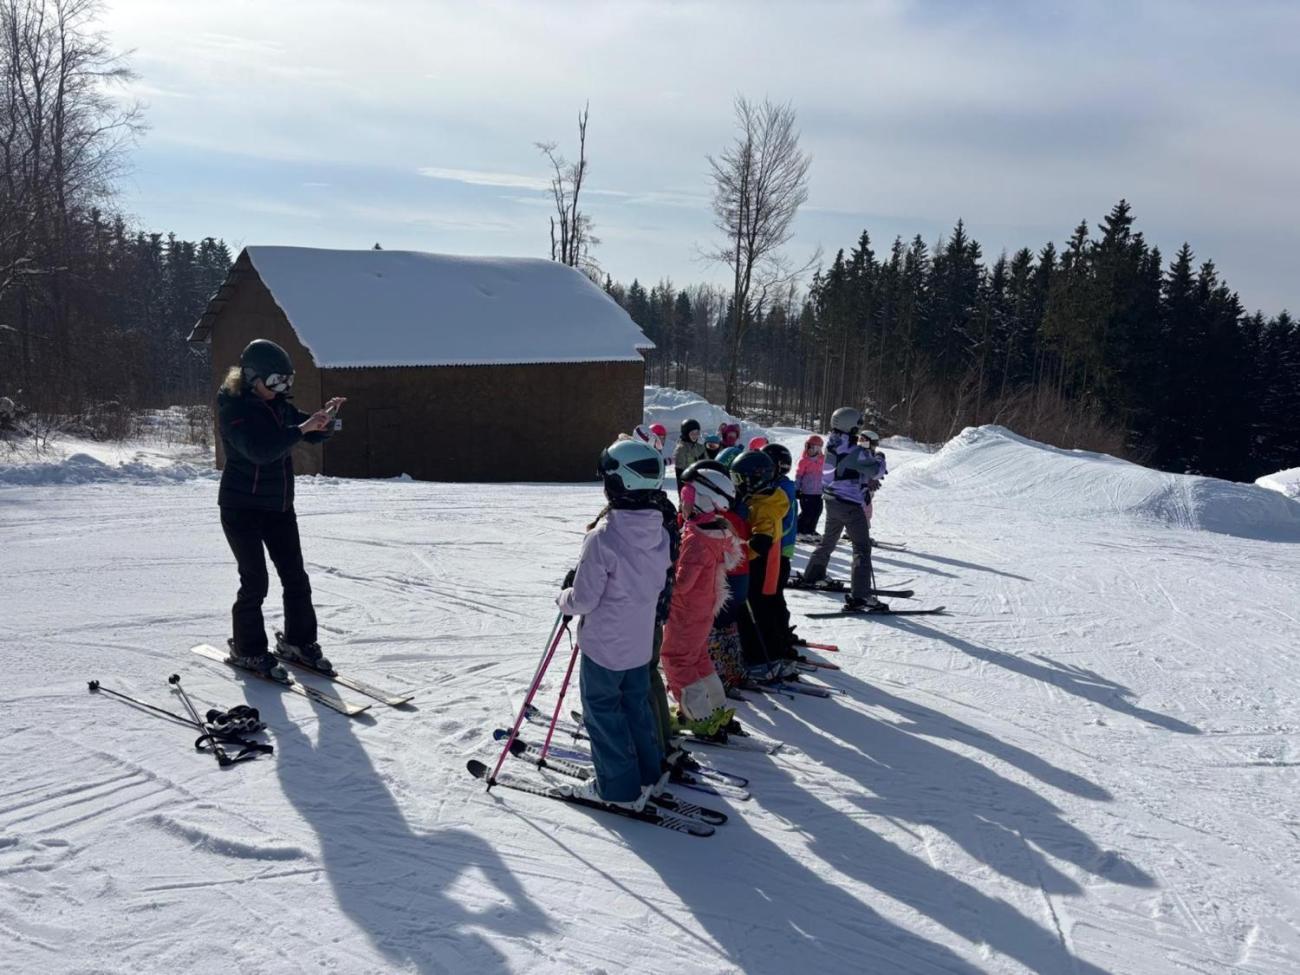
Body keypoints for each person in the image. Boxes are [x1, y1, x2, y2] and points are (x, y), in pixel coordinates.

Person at [217, 339, 344, 678]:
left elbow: (310, 432)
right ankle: (248, 649)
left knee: (295, 577)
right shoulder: (234, 409)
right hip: (241, 508)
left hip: (278, 507)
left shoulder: (279, 406)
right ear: (251, 378)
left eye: (287, 381)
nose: (282, 389)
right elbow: (260, 450)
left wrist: (326, 420)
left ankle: (298, 643)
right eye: (275, 382)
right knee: (255, 581)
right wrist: (302, 428)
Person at [556, 439, 672, 810]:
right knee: (635, 706)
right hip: (639, 642)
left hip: (604, 647)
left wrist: (564, 597)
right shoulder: (660, 531)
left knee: (603, 712)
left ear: (616, 484)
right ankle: (649, 772)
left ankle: (618, 788)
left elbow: (584, 600)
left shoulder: (603, 537)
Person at [659, 461, 742, 736]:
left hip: (686, 610)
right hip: (703, 609)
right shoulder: (715, 530)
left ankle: (698, 716)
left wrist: (661, 577)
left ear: (702, 501)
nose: (682, 503)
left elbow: (682, 584)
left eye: (686, 498)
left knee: (675, 658)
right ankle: (715, 708)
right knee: (696, 657)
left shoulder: (696, 539)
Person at [799, 407, 886, 612]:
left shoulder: (832, 444)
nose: (859, 428)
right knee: (862, 548)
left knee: (829, 541)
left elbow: (843, 472)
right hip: (850, 504)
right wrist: (880, 457)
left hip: (832, 500)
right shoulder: (855, 450)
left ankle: (813, 575)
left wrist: (862, 482)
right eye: (858, 425)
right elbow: (876, 470)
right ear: (850, 425)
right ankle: (861, 596)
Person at [732, 450, 795, 675]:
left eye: (739, 479)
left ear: (754, 479)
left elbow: (761, 542)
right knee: (763, 608)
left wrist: (738, 556)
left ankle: (762, 659)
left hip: (762, 565)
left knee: (756, 611)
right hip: (766, 563)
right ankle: (774, 651)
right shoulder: (763, 498)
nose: (736, 484)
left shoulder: (765, 505)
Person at [795, 435, 825, 539]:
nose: (810, 450)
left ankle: (811, 530)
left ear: (819, 449)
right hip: (807, 492)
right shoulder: (804, 461)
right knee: (807, 512)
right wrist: (796, 489)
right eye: (808, 447)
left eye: (813, 448)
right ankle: (799, 530)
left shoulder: (823, 460)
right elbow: (799, 476)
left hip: (819, 492)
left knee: (817, 511)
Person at [859, 430, 888, 524]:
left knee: (866, 513)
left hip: (863, 494)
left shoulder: (866, 454)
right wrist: (880, 458)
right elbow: (876, 471)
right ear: (867, 442)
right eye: (874, 444)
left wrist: (872, 478)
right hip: (859, 495)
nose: (875, 447)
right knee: (862, 515)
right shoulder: (863, 454)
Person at [673, 418, 708, 491]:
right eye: (692, 433)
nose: (695, 436)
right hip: (688, 485)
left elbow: (707, 463)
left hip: (701, 482)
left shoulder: (700, 447)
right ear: (686, 434)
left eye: (697, 433)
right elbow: (680, 473)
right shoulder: (681, 449)